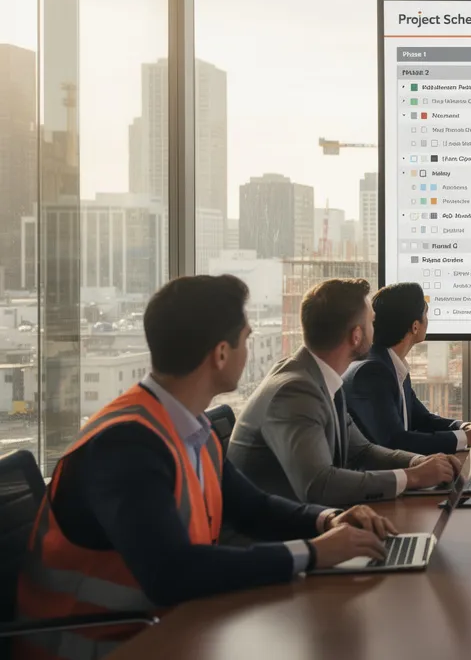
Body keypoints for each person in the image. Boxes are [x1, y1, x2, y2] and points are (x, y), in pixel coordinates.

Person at [16, 276, 397, 656]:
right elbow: (172, 572)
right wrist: (314, 553)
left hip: (171, 627)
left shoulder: (191, 429)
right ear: (220, 354)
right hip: (97, 645)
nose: (250, 351)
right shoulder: (125, 446)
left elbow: (252, 508)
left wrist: (327, 521)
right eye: (246, 339)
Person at [229, 278, 461, 506]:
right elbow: (320, 485)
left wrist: (420, 462)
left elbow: (361, 451)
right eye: (372, 321)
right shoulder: (295, 390)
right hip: (277, 536)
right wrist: (413, 477)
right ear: (356, 335)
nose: (376, 328)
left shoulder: (322, 379)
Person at [344, 282, 471, 453]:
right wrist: (468, 438)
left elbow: (423, 419)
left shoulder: (392, 365)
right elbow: (396, 441)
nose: (428, 320)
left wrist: (466, 427)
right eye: (426, 314)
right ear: (415, 326)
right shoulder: (373, 372)